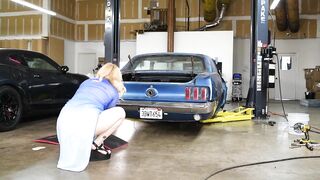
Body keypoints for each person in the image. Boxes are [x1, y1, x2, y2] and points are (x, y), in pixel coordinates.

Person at [56, 63, 126, 172]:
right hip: (84, 124)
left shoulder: (86, 82)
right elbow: (105, 116)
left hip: (62, 122)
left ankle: (90, 143)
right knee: (120, 113)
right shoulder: (113, 91)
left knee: (92, 114)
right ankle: (95, 145)